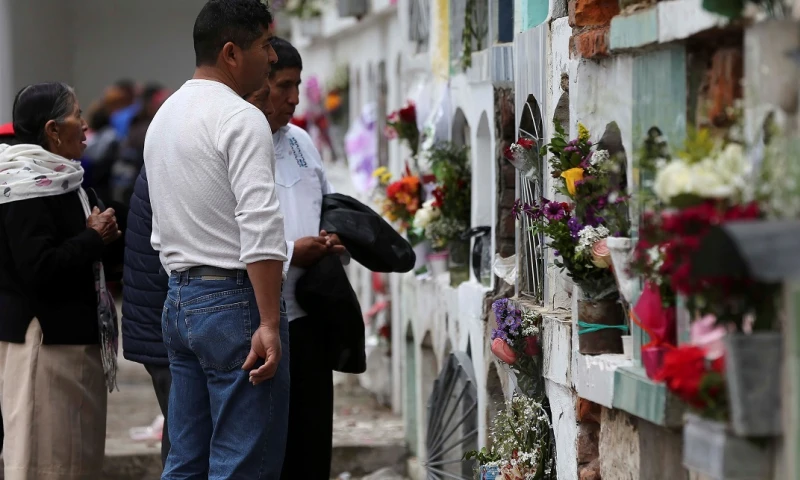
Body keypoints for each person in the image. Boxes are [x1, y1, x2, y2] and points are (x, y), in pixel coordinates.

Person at [144, 1, 290, 478]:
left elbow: (159, 232)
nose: (272, 58)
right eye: (265, 46)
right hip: (233, 302)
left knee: (185, 460)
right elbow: (260, 225)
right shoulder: (241, 118)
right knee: (241, 463)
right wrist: (268, 321)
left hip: (181, 298)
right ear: (231, 53)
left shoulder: (164, 117)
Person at [0, 82, 121, 479]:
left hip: (73, 343)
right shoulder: (24, 188)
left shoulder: (68, 181)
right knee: (46, 462)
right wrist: (92, 238)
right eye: (78, 116)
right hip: (44, 346)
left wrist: (100, 235)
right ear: (53, 130)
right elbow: (39, 269)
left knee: (77, 462)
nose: (86, 126)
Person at [261, 37, 344, 479]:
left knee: (310, 447)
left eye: (298, 85)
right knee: (266, 451)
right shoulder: (238, 139)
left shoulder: (300, 140)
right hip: (258, 322)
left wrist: (333, 239)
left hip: (308, 315)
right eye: (284, 86)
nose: (295, 98)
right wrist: (293, 253)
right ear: (259, 84)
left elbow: (322, 202)